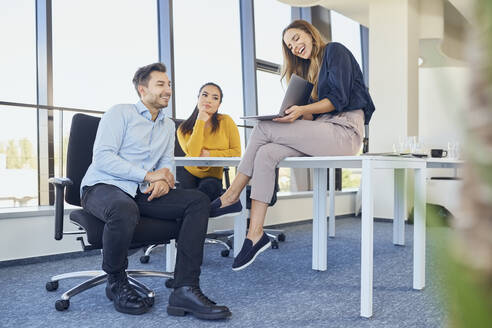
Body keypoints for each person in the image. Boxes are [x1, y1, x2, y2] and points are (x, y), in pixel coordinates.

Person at [210, 20, 375, 271]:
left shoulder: (334, 51)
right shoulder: (309, 73)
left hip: (345, 131)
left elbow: (337, 99)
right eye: (290, 45)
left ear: (310, 34)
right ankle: (255, 234)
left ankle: (232, 195)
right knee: (266, 153)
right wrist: (296, 113)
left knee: (263, 128)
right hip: (322, 131)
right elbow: (313, 116)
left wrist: (302, 109)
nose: (295, 46)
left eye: (297, 38)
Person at [80, 63, 231, 320]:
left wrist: (164, 181)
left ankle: (185, 288)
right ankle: (116, 281)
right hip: (103, 186)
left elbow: (166, 164)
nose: (168, 90)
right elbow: (104, 158)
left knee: (197, 200)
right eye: (160, 84)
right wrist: (150, 176)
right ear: (142, 90)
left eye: (169, 85)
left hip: (141, 191)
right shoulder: (120, 113)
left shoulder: (167, 125)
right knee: (122, 207)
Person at [176, 82, 241, 203]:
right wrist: (200, 122)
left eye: (215, 98)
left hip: (213, 176)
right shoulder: (183, 128)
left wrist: (210, 155)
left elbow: (236, 153)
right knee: (187, 199)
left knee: (206, 191)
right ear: (198, 98)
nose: (209, 100)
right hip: (187, 172)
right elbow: (194, 156)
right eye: (205, 95)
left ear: (219, 104)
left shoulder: (226, 121)